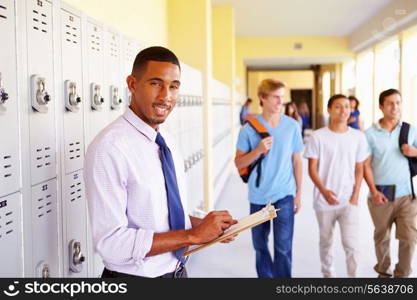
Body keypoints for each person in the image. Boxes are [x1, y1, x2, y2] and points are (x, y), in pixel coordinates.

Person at [84, 46, 237, 278]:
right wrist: (192, 236)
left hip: (176, 273)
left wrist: (204, 226)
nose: (166, 96)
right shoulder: (110, 148)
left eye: (173, 86)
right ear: (132, 84)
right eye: (156, 83)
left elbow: (161, 216)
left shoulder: (167, 142)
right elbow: (111, 243)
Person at [234, 79, 303, 278]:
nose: (280, 101)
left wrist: (298, 194)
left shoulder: (292, 126)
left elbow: (297, 161)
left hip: (284, 194)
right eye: (275, 97)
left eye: (282, 97)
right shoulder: (248, 129)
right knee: (260, 246)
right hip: (258, 196)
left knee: (283, 249)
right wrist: (258, 150)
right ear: (262, 98)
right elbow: (239, 163)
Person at [304, 94, 369, 277]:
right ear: (329, 110)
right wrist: (324, 191)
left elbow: (359, 168)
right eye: (338, 106)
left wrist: (355, 195)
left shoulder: (358, 137)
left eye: (347, 106)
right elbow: (312, 169)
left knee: (352, 244)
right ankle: (328, 276)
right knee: (326, 242)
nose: (343, 110)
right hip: (324, 201)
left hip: (349, 200)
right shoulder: (318, 137)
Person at [364, 88, 417, 278]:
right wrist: (373, 191)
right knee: (382, 238)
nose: (395, 107)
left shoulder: (410, 130)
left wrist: (415, 152)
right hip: (381, 194)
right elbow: (366, 166)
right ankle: (384, 274)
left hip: (407, 195)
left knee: (409, 239)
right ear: (381, 106)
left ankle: (402, 276)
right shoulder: (370, 134)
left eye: (398, 102)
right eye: (390, 103)